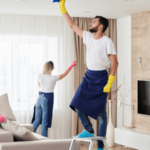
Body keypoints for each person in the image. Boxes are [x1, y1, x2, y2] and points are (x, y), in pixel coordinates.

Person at [57, 1, 119, 150]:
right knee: (76, 103)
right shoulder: (88, 37)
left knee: (102, 114)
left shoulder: (107, 41)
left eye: (94, 22)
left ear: (100, 26)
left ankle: (100, 146)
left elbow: (115, 63)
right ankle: (88, 129)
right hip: (88, 76)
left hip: (102, 78)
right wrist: (62, 8)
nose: (90, 24)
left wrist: (110, 83)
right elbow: (72, 25)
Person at [32, 60, 76, 137]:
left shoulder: (40, 76)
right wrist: (71, 65)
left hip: (39, 98)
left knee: (36, 121)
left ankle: (27, 138)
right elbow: (65, 74)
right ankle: (44, 145)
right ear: (52, 68)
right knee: (44, 123)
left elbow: (39, 85)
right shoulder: (53, 78)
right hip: (47, 99)